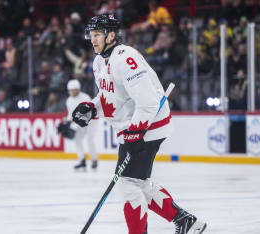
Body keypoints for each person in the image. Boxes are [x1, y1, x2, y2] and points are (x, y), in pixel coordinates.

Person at [72, 14, 206, 234]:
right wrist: (92, 109)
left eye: (97, 35)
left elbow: (148, 102)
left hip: (149, 125)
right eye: (91, 35)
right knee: (138, 182)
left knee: (128, 183)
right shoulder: (99, 62)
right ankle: (185, 221)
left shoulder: (126, 58)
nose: (93, 40)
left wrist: (135, 133)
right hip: (133, 128)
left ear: (111, 35)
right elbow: (112, 98)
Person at [64, 79, 98, 171]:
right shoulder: (69, 101)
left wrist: (74, 120)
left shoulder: (85, 97)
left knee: (89, 139)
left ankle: (94, 160)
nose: (73, 91)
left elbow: (90, 111)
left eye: (74, 89)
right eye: (71, 90)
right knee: (77, 139)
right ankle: (82, 161)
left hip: (91, 121)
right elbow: (71, 114)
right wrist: (67, 122)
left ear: (78, 89)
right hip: (80, 122)